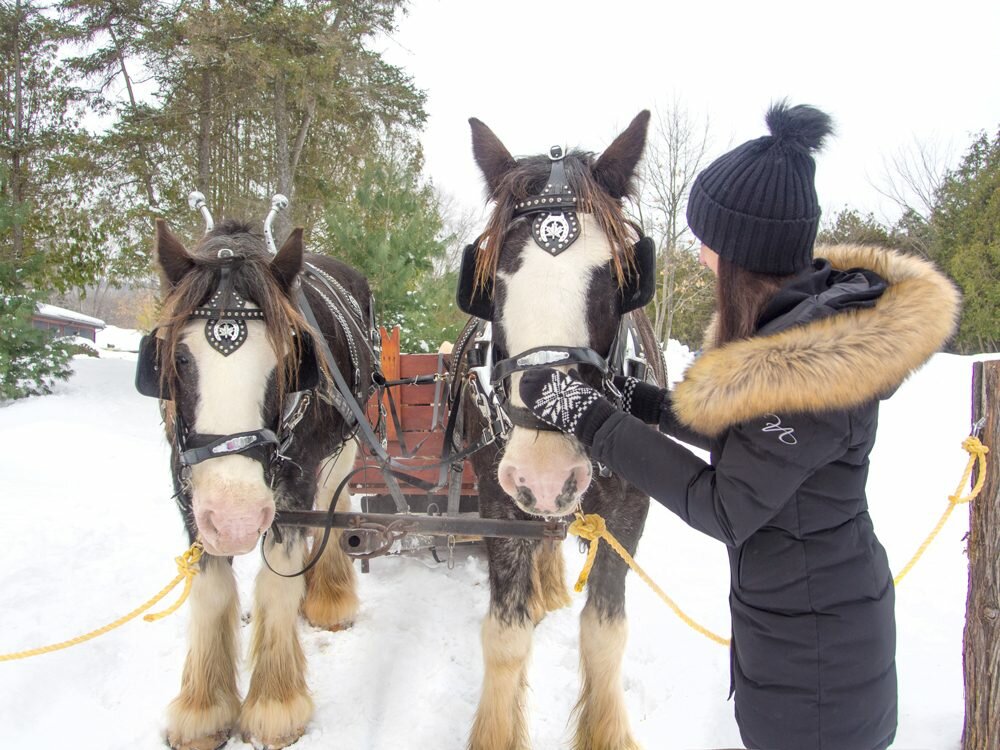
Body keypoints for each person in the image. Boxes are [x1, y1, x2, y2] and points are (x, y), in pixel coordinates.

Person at [519, 101, 961, 750]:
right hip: (802, 622)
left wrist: (590, 417)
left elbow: (724, 507)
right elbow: (752, 438)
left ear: (740, 252)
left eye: (707, 239)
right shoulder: (800, 329)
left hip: (816, 667)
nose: (700, 254)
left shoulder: (814, 369)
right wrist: (641, 402)